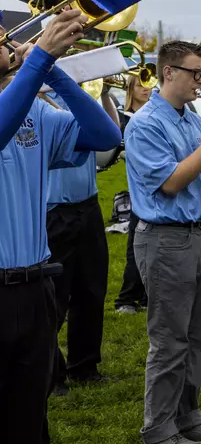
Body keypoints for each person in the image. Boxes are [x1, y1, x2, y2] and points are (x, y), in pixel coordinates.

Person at [0, 9, 121, 444]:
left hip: (33, 289)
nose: (10, 43)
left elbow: (105, 135)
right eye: (1, 39)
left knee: (29, 425)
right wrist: (39, 58)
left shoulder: (33, 107)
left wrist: (57, 73)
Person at [125, 40, 201, 444]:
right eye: (195, 73)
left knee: (198, 336)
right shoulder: (145, 123)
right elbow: (171, 183)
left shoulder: (189, 117)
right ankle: (158, 429)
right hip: (166, 238)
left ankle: (188, 418)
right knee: (170, 340)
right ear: (169, 72)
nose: (200, 81)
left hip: (199, 233)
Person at [45, 80, 120, 395]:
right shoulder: (41, 99)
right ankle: (52, 374)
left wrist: (102, 92)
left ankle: (85, 365)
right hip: (53, 210)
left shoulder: (80, 98)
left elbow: (111, 142)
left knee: (92, 291)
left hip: (86, 206)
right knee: (54, 299)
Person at [114, 74, 153, 314]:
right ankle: (126, 299)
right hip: (139, 188)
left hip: (154, 188)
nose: (146, 88)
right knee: (135, 246)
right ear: (130, 89)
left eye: (148, 83)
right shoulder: (125, 117)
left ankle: (147, 296)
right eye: (140, 84)